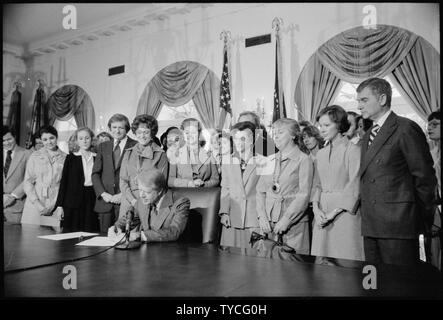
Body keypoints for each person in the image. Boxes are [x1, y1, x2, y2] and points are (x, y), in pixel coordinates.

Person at [357, 77, 436, 266]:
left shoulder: (405, 128)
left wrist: (421, 219)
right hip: (371, 225)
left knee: (398, 285)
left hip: (398, 225)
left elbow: (424, 177)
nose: (359, 106)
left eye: (364, 100)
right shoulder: (368, 134)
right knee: (373, 283)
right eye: (358, 101)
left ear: (383, 99)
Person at [310, 105, 364, 261]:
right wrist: (316, 209)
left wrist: (333, 213)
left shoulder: (353, 150)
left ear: (339, 125)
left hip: (345, 213)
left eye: (327, 125)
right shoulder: (321, 153)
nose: (322, 129)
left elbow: (356, 186)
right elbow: (317, 185)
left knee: (345, 261)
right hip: (321, 213)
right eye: (320, 125)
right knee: (322, 264)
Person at [256, 118, 313, 253]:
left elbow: (303, 195)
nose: (275, 136)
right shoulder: (269, 159)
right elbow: (260, 191)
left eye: (280, 132)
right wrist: (262, 216)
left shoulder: (304, 159)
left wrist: (287, 220)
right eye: (274, 132)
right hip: (268, 225)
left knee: (292, 268)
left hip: (292, 225)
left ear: (293, 135)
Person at [109, 169, 190, 242]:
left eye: (147, 192)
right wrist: (116, 228)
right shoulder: (142, 201)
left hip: (171, 253)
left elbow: (174, 232)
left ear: (160, 191)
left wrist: (140, 235)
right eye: (140, 190)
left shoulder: (181, 202)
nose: (141, 195)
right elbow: (129, 219)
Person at [219, 122, 265, 248]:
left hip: (254, 219)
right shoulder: (227, 161)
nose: (238, 142)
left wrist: (263, 218)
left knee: (254, 262)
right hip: (232, 218)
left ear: (253, 140)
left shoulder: (263, 161)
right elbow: (226, 188)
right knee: (230, 261)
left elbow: (264, 193)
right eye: (236, 138)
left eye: (243, 138)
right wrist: (224, 212)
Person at [92, 114, 137, 233]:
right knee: (103, 239)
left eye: (121, 128)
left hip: (125, 201)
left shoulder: (136, 146)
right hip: (105, 202)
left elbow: (137, 175)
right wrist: (103, 194)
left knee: (123, 238)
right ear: (110, 128)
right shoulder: (103, 146)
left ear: (126, 129)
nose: (117, 130)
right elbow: (95, 174)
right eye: (114, 127)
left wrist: (123, 194)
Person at [118, 114, 169, 220]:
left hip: (149, 203)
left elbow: (161, 185)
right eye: (139, 132)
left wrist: (142, 203)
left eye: (146, 132)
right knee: (123, 234)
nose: (142, 135)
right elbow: (123, 180)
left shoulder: (160, 154)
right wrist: (132, 200)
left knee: (144, 235)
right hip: (128, 202)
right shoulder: (128, 152)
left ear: (152, 133)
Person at [54, 127, 99, 232]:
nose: (84, 141)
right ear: (77, 141)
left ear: (92, 140)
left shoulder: (97, 157)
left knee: (90, 232)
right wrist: (60, 206)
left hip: (91, 198)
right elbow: (64, 182)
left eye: (87, 138)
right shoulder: (71, 158)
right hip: (72, 202)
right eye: (81, 138)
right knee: (70, 234)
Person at [21, 125, 67, 228]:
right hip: (35, 204)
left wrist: (58, 205)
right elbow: (27, 182)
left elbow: (65, 185)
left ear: (56, 137)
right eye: (45, 139)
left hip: (55, 206)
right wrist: (37, 204)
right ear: (41, 140)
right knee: (31, 239)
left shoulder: (65, 158)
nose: (49, 142)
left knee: (51, 242)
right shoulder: (35, 156)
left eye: (51, 138)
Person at [168, 118, 219, 188]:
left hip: (205, 194)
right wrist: (188, 183)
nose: (190, 135)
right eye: (187, 133)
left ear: (199, 134)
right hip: (182, 195)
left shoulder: (209, 154)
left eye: (193, 132)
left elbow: (216, 179)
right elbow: (170, 180)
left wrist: (204, 185)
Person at [3, 125, 32, 223]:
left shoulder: (27, 154)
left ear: (14, 136)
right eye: (3, 141)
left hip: (16, 206)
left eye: (9, 139)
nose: (6, 143)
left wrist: (13, 196)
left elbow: (30, 178)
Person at [425, 110, 441, 271]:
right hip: (433, 211)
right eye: (429, 124)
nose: (430, 128)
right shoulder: (431, 153)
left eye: (435, 124)